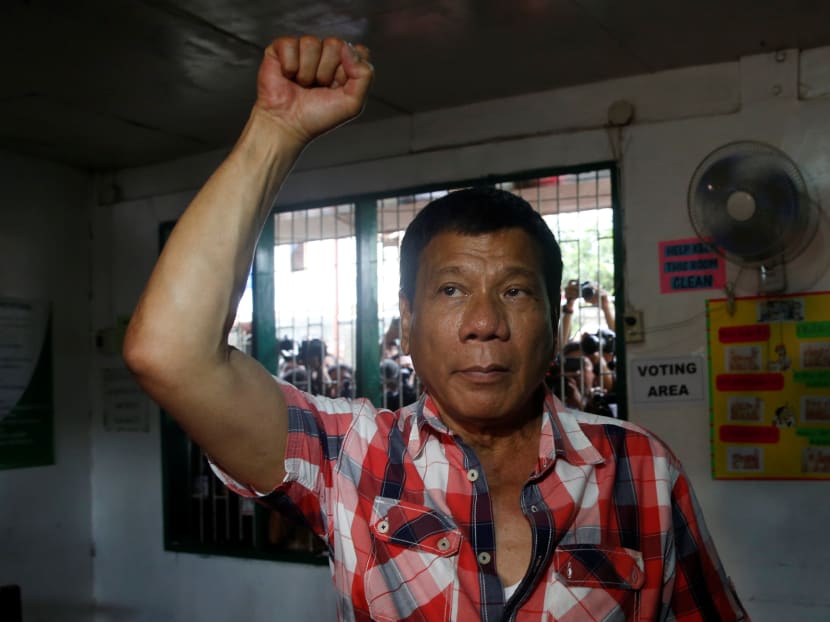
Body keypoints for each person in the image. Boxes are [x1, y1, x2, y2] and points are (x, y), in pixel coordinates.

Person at [123, 35, 748, 621]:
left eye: (514, 291)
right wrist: (276, 130)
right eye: (451, 291)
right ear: (407, 320)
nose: (484, 324)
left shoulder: (639, 471)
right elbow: (170, 353)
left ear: (555, 322)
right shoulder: (353, 459)